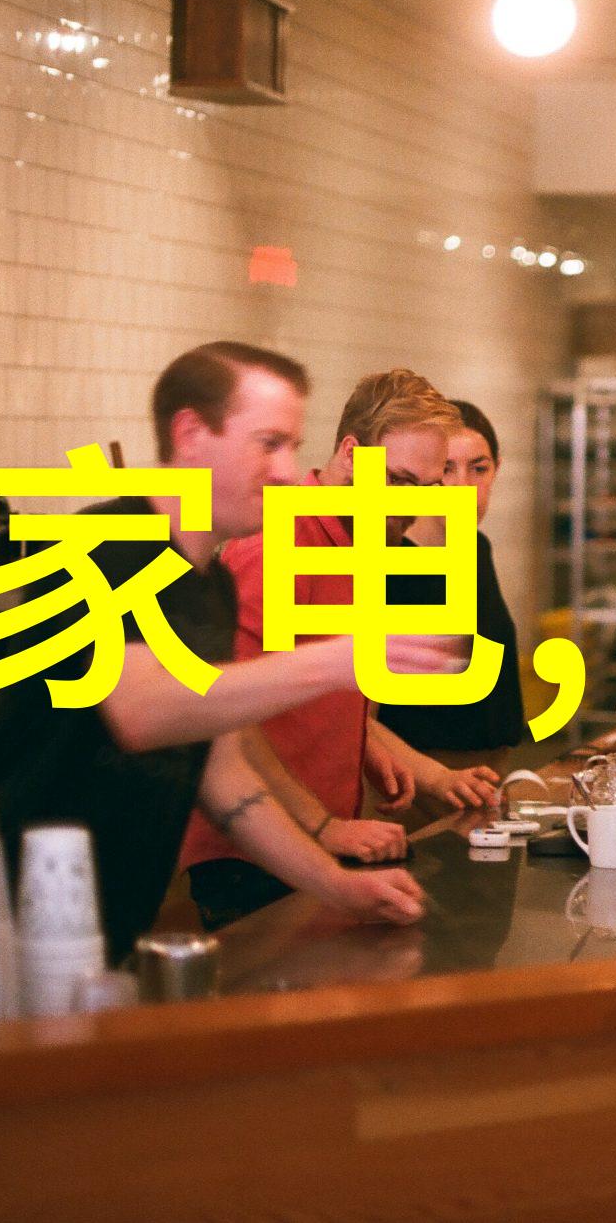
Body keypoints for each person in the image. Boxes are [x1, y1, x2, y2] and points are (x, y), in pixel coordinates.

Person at [0, 342, 446, 961]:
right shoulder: (104, 543)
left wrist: (338, 885)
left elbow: (224, 776)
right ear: (191, 434)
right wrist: (337, 660)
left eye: (292, 446)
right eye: (268, 444)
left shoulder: (213, 585)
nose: (287, 472)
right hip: (8, 915)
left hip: (108, 919)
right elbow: (141, 710)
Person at [181, 371, 500, 928]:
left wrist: (396, 758)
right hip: (253, 851)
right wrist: (321, 825)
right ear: (352, 454)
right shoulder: (279, 543)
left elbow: (312, 689)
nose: (412, 506)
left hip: (320, 841)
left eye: (427, 487)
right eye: (398, 481)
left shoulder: (365, 542)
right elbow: (228, 717)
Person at [379, 399, 527, 757]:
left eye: (479, 469)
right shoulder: (391, 563)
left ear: (497, 468)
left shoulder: (477, 547)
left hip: (491, 765)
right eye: (447, 469)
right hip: (420, 774)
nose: (463, 487)